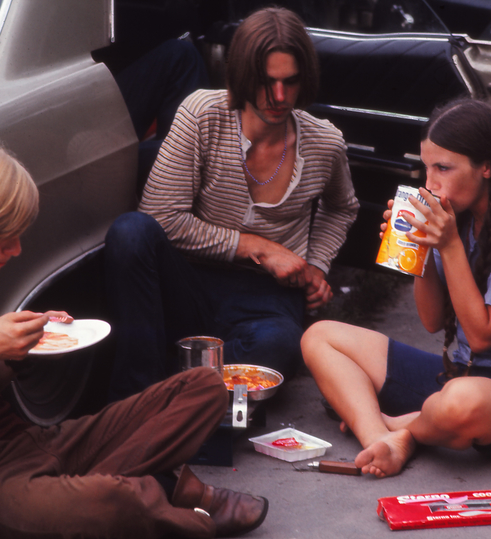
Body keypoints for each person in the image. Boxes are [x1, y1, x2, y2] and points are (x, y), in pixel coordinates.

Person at [0, 139, 268, 538]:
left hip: (27, 445)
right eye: (4, 237)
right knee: (116, 499)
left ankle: (116, 497)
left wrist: (22, 348)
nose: (15, 250)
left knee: (203, 387)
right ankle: (180, 508)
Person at [301, 98, 491, 478]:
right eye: (427, 167)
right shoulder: (455, 215)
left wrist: (447, 246)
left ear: (486, 167)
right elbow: (431, 321)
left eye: (443, 168)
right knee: (319, 337)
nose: (430, 184)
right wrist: (417, 252)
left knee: (459, 404)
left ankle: (399, 426)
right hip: (459, 373)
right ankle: (381, 439)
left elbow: (481, 336)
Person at [103, 7, 359, 401]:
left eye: (290, 82)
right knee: (130, 233)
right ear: (242, 75)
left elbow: (342, 207)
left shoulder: (324, 142)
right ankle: (140, 399)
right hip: (192, 280)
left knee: (278, 348)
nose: (278, 96)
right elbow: (160, 218)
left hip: (267, 298)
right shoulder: (202, 114)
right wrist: (258, 247)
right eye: (266, 82)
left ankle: (186, 390)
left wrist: (317, 266)